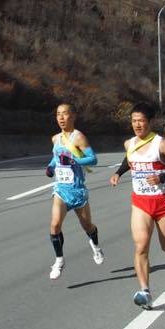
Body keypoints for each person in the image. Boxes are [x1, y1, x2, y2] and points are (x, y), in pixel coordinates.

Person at [109, 102, 165, 308]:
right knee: (141, 245)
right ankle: (145, 291)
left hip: (162, 202)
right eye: (134, 121)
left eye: (141, 121)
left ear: (150, 122)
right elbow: (129, 160)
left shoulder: (161, 144)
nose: (137, 124)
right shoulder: (129, 143)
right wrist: (118, 173)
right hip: (140, 202)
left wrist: (162, 177)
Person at [45, 103, 104, 280]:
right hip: (61, 190)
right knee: (55, 225)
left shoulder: (79, 138)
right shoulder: (56, 139)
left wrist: (75, 162)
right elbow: (57, 158)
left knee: (87, 226)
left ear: (73, 116)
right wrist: (50, 166)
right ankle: (59, 260)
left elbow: (93, 159)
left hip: (77, 190)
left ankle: (95, 245)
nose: (61, 118)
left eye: (65, 114)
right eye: (58, 114)